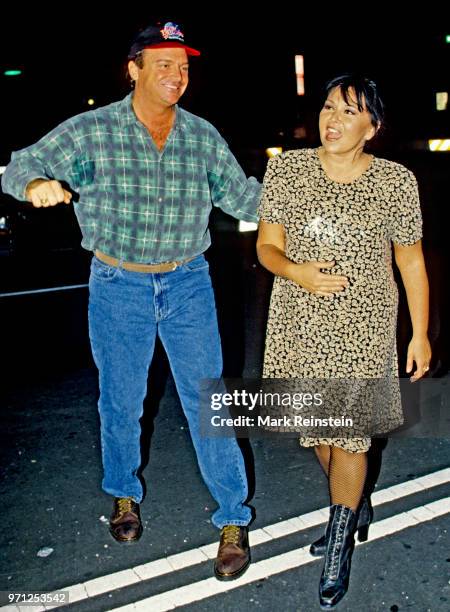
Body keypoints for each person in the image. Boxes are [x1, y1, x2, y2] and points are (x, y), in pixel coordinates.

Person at [2, 21, 261, 581]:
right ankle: (123, 494)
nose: (176, 76)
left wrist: (314, 194)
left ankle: (234, 519)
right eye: (163, 64)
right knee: (121, 401)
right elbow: (23, 162)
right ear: (134, 69)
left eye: (184, 66)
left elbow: (245, 195)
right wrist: (33, 186)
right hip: (118, 285)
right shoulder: (92, 132)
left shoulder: (200, 135)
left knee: (209, 402)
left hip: (188, 281)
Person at [256, 74, 431, 608]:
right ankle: (353, 504)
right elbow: (266, 247)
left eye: (349, 112)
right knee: (318, 433)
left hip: (366, 323)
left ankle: (338, 546)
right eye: (329, 107)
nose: (332, 120)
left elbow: (411, 261)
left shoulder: (396, 182)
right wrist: (296, 272)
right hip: (298, 319)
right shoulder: (287, 169)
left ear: (372, 128)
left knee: (349, 435)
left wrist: (420, 333)